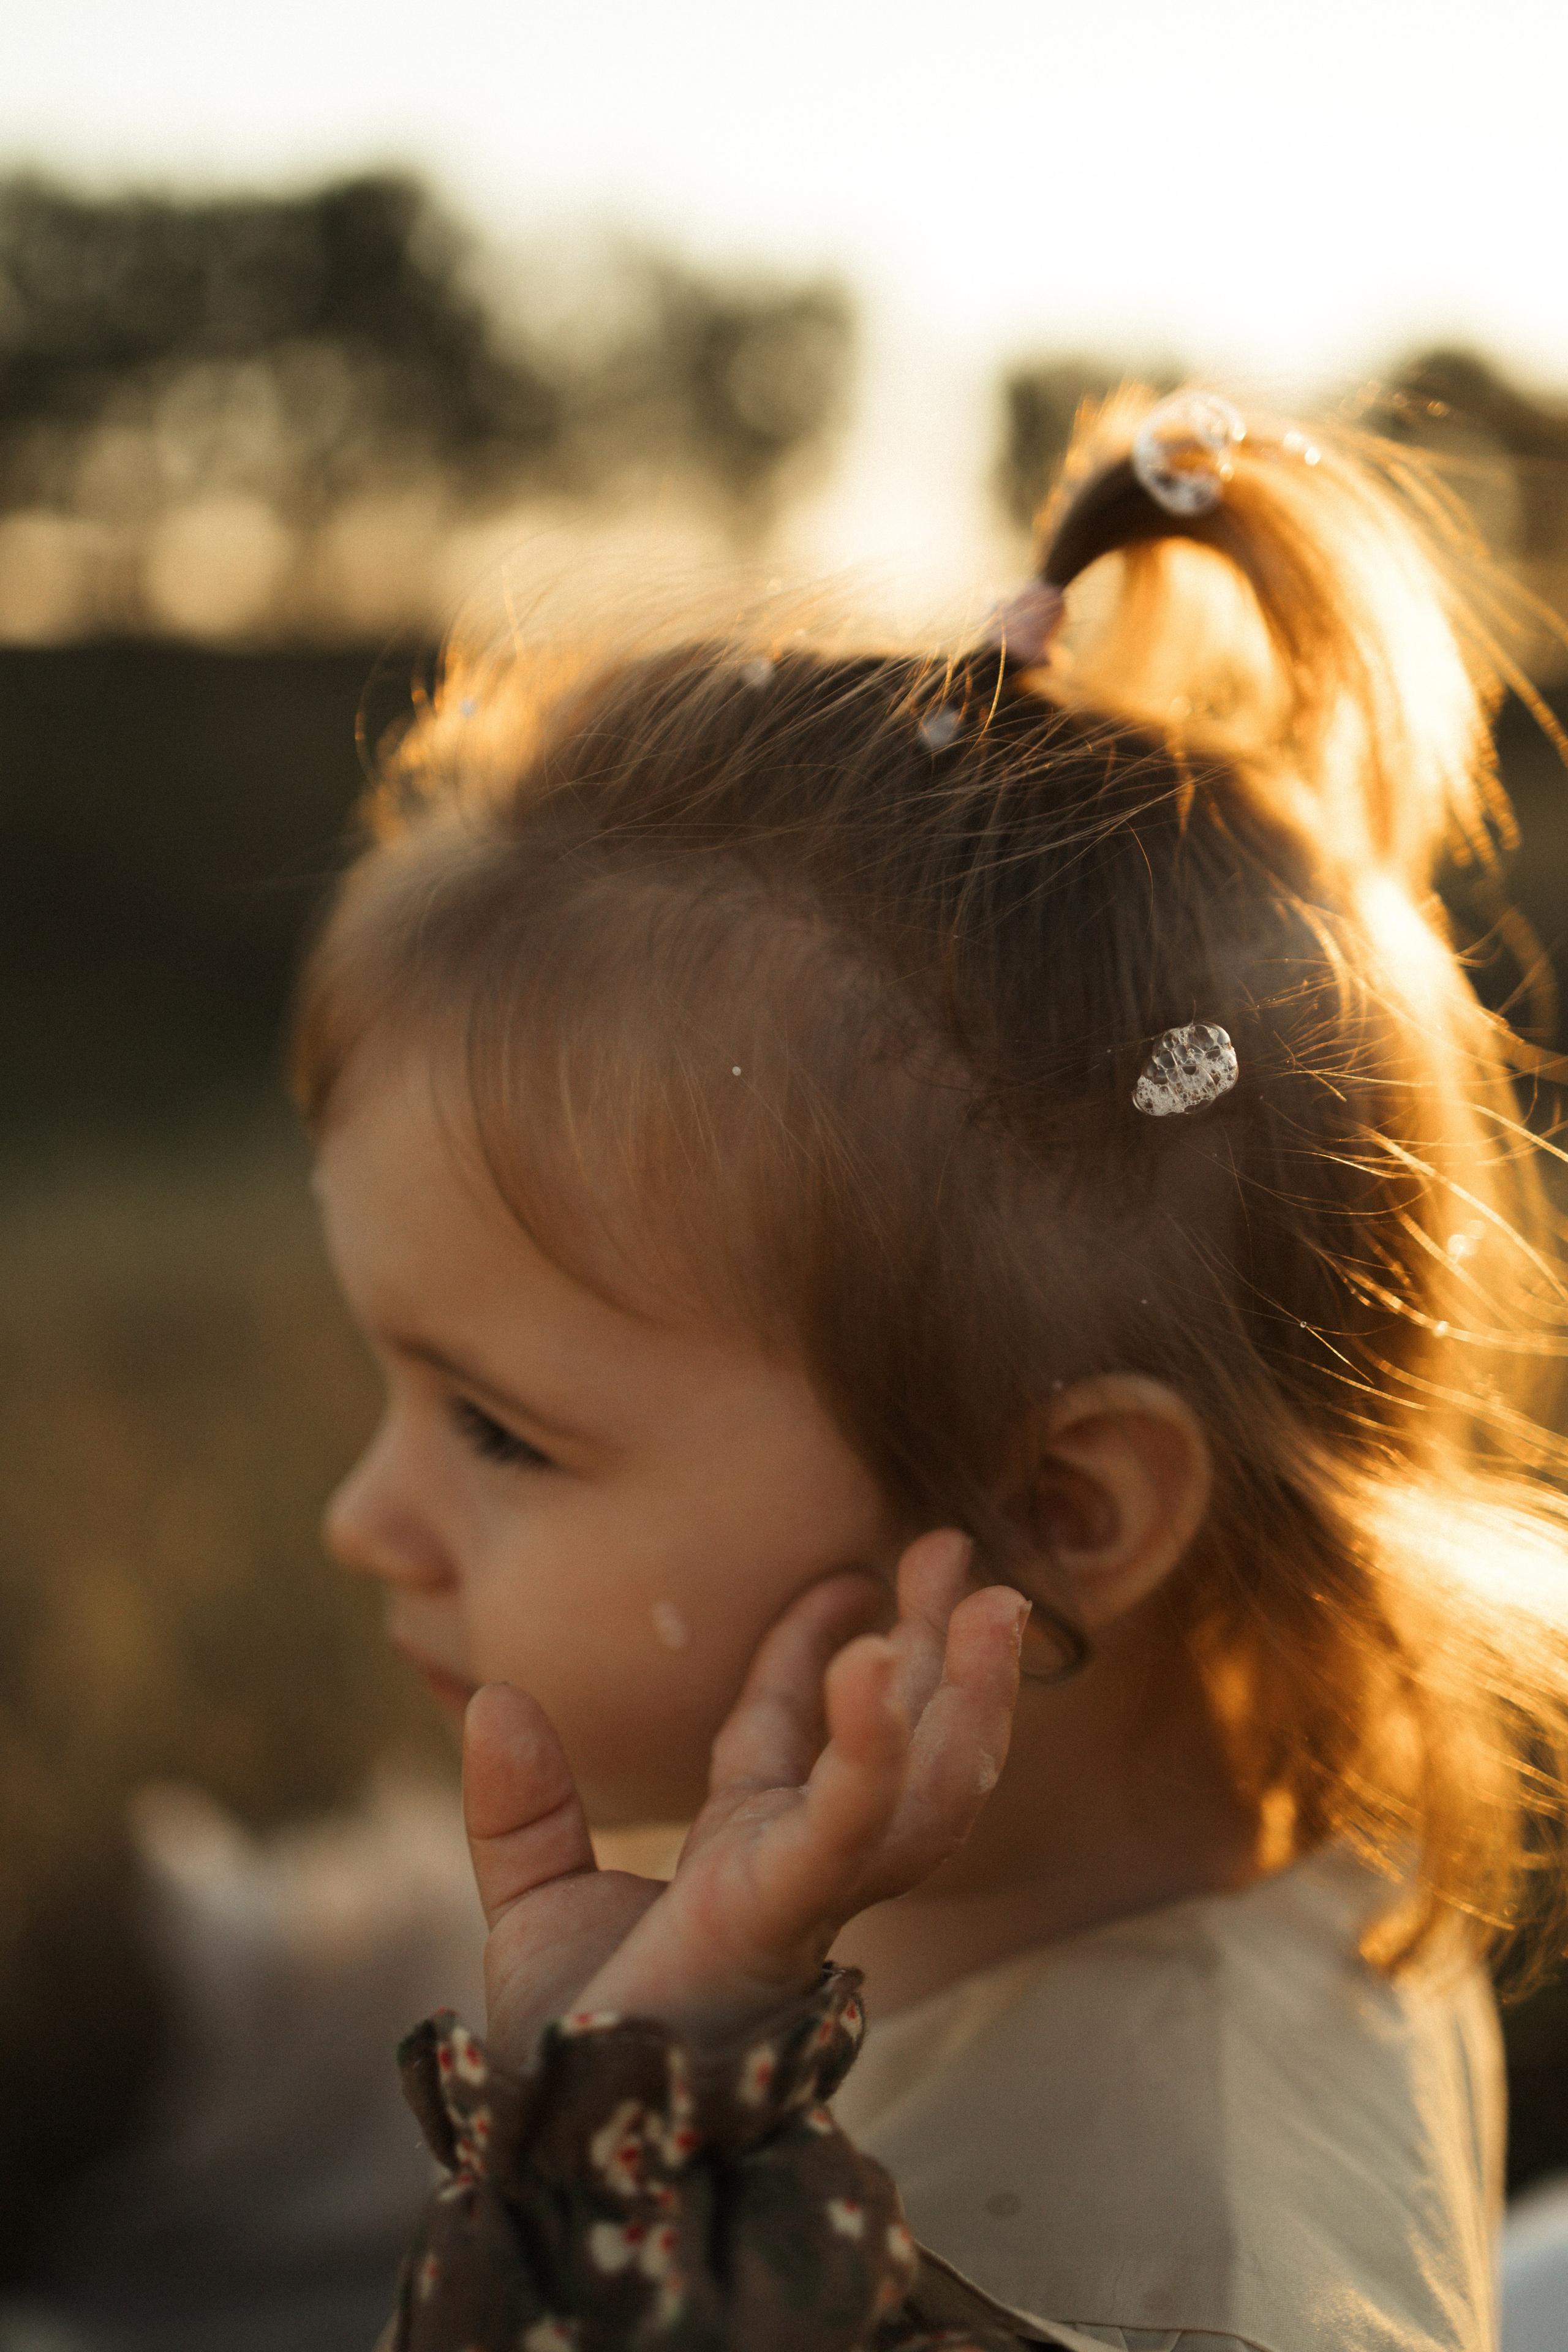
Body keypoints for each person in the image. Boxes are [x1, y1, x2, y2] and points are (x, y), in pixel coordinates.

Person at [295, 387, 1568, 2352]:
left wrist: (613, 2153)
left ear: (1055, 1510)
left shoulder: (1135, 2269)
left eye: (497, 1428)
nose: (361, 1516)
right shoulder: (1139, 1892)